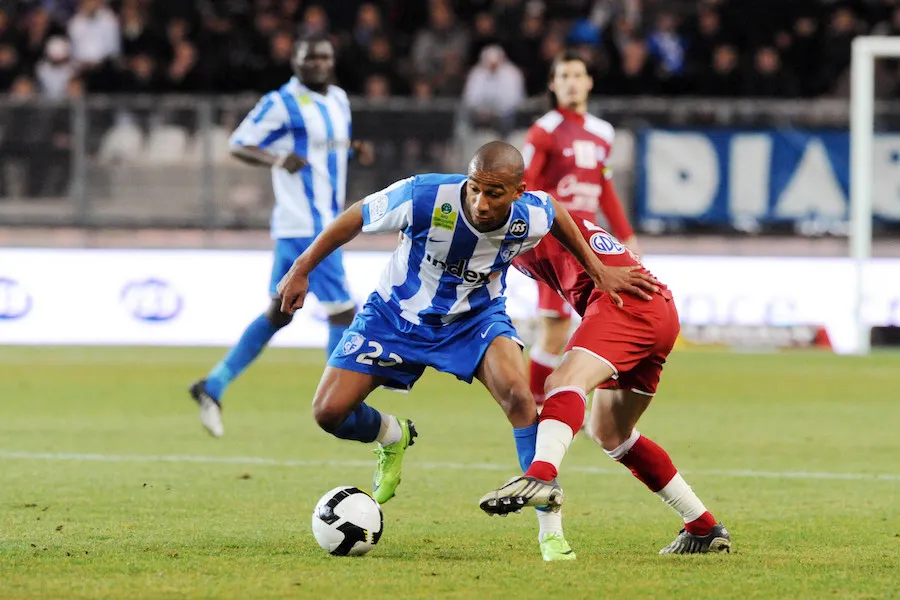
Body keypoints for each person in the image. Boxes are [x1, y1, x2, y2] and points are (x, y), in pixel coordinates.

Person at [277, 141, 658, 560]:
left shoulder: (529, 214)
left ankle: (550, 531)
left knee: (520, 397)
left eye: (494, 193)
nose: (479, 202)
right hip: (394, 317)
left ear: (517, 192)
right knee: (328, 413)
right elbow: (355, 217)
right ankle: (393, 435)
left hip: (474, 320)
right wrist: (301, 269)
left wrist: (598, 270)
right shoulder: (424, 196)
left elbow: (557, 214)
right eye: (475, 188)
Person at [478, 218, 732, 555]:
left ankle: (541, 474)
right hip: (656, 307)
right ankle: (702, 527)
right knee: (611, 433)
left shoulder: (530, 213)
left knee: (563, 380)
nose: (483, 203)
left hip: (622, 303)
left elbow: (551, 209)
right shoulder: (500, 227)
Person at [189, 35, 373, 438]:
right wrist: (276, 158)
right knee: (343, 311)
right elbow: (239, 142)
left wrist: (352, 149)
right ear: (295, 60)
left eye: (325, 57)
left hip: (315, 220)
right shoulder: (280, 102)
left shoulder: (339, 99)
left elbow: (324, 149)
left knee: (279, 313)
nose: (319, 64)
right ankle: (339, 400)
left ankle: (213, 384)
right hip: (306, 224)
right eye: (311, 58)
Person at [522, 50, 640, 405]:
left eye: (577, 75)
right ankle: (537, 407)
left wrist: (627, 234)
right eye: (564, 76)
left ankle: (566, 403)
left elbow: (603, 186)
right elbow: (525, 185)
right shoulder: (544, 131)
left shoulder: (603, 132)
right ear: (553, 85)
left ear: (589, 82)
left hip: (590, 240)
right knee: (555, 330)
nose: (571, 82)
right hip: (555, 241)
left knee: (594, 323)